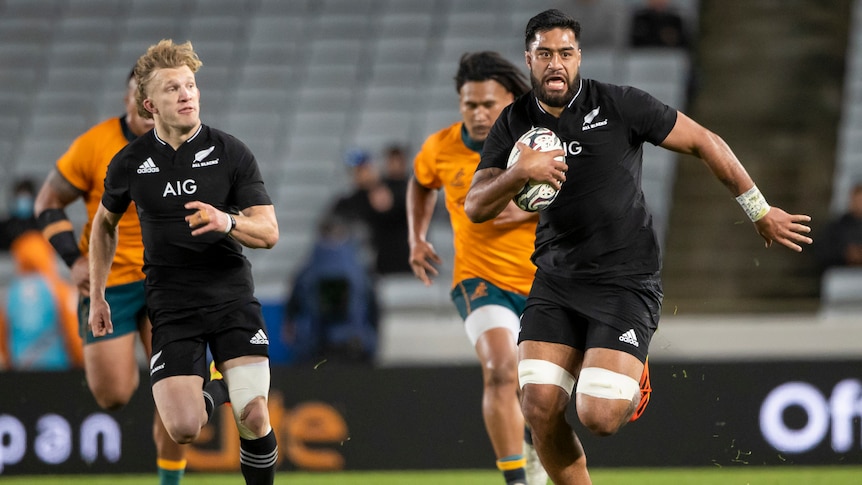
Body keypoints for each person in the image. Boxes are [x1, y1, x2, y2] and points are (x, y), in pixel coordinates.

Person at [464, 10, 812, 484]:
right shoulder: (513, 123)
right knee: (538, 406)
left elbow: (704, 142)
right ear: (529, 59)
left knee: (599, 416)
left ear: (579, 57)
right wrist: (518, 173)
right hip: (557, 280)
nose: (555, 63)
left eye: (565, 53)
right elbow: (476, 206)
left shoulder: (619, 104)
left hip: (624, 280)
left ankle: (631, 370)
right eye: (544, 53)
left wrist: (759, 209)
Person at [87, 39, 279, 485]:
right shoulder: (129, 163)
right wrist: (98, 295)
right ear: (150, 104)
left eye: (190, 85)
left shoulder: (231, 152)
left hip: (231, 298)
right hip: (172, 307)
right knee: (184, 429)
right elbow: (103, 225)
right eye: (173, 88)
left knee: (253, 412)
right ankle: (216, 385)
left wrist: (226, 221)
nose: (186, 94)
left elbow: (269, 232)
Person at [33, 70, 188, 484]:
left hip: (167, 282)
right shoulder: (93, 145)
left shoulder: (186, 141)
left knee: (177, 392)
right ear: (128, 100)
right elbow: (47, 203)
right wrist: (73, 260)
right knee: (113, 395)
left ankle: (169, 482)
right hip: (110, 282)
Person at [408, 51, 547, 485]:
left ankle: (534, 439)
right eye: (470, 104)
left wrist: (521, 210)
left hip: (545, 285)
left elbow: (575, 194)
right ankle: (516, 479)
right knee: (501, 367)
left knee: (541, 391)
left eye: (490, 104)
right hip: (480, 279)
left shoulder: (538, 145)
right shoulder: (441, 147)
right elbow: (420, 181)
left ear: (510, 99)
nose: (480, 113)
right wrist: (416, 237)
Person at [283, 215, 379, 366]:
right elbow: (374, 307)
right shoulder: (359, 269)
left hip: (314, 345)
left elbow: (293, 305)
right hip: (354, 345)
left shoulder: (307, 270)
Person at [0, 231, 82, 370]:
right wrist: (80, 362)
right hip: (59, 371)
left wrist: (9, 366)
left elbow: (3, 335)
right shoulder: (58, 289)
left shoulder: (10, 294)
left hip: (21, 371)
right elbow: (73, 329)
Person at [329, 147, 412, 276]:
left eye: (364, 168)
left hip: (406, 265)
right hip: (378, 269)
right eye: (356, 171)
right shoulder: (349, 202)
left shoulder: (395, 189)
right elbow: (335, 224)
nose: (361, 174)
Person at [816, 182, 862, 270]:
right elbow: (822, 251)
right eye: (857, 200)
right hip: (841, 274)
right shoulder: (836, 227)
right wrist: (845, 254)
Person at [0, 178, 40, 250]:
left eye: (26, 196)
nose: (22, 201)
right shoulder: (5, 226)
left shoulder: (40, 225)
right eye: (20, 196)